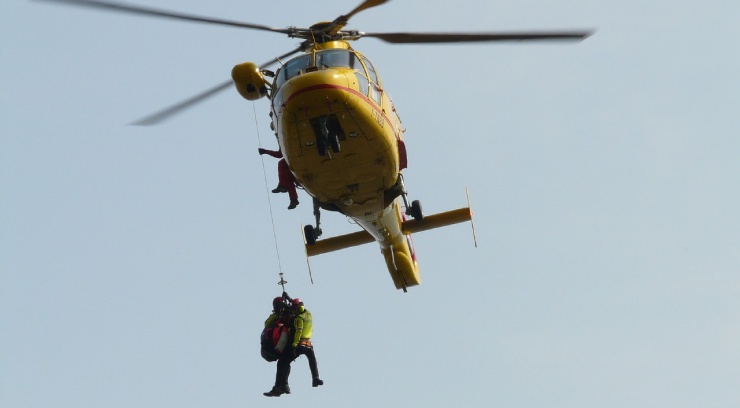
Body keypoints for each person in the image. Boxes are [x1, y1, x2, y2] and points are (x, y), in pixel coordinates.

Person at [263, 297, 323, 397]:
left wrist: (293, 347)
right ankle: (315, 378)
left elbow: (298, 333)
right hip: (309, 344)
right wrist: (289, 299)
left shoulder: (297, 319)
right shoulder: (308, 314)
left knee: (283, 362)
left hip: (299, 344)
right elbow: (296, 307)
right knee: (312, 360)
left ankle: (278, 387)